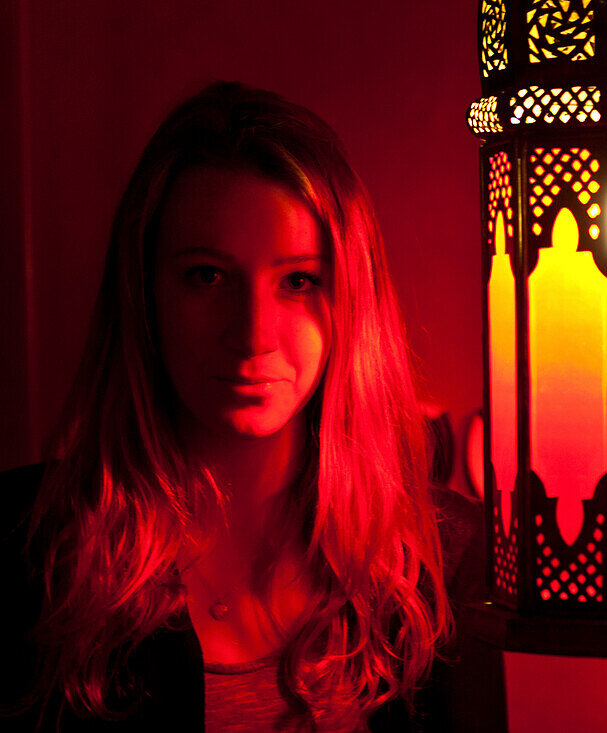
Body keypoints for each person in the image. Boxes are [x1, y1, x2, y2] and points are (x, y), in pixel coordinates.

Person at [0, 81, 501, 732]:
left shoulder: (437, 560)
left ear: (350, 299)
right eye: (207, 275)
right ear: (144, 291)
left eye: (298, 281)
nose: (252, 333)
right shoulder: (27, 550)